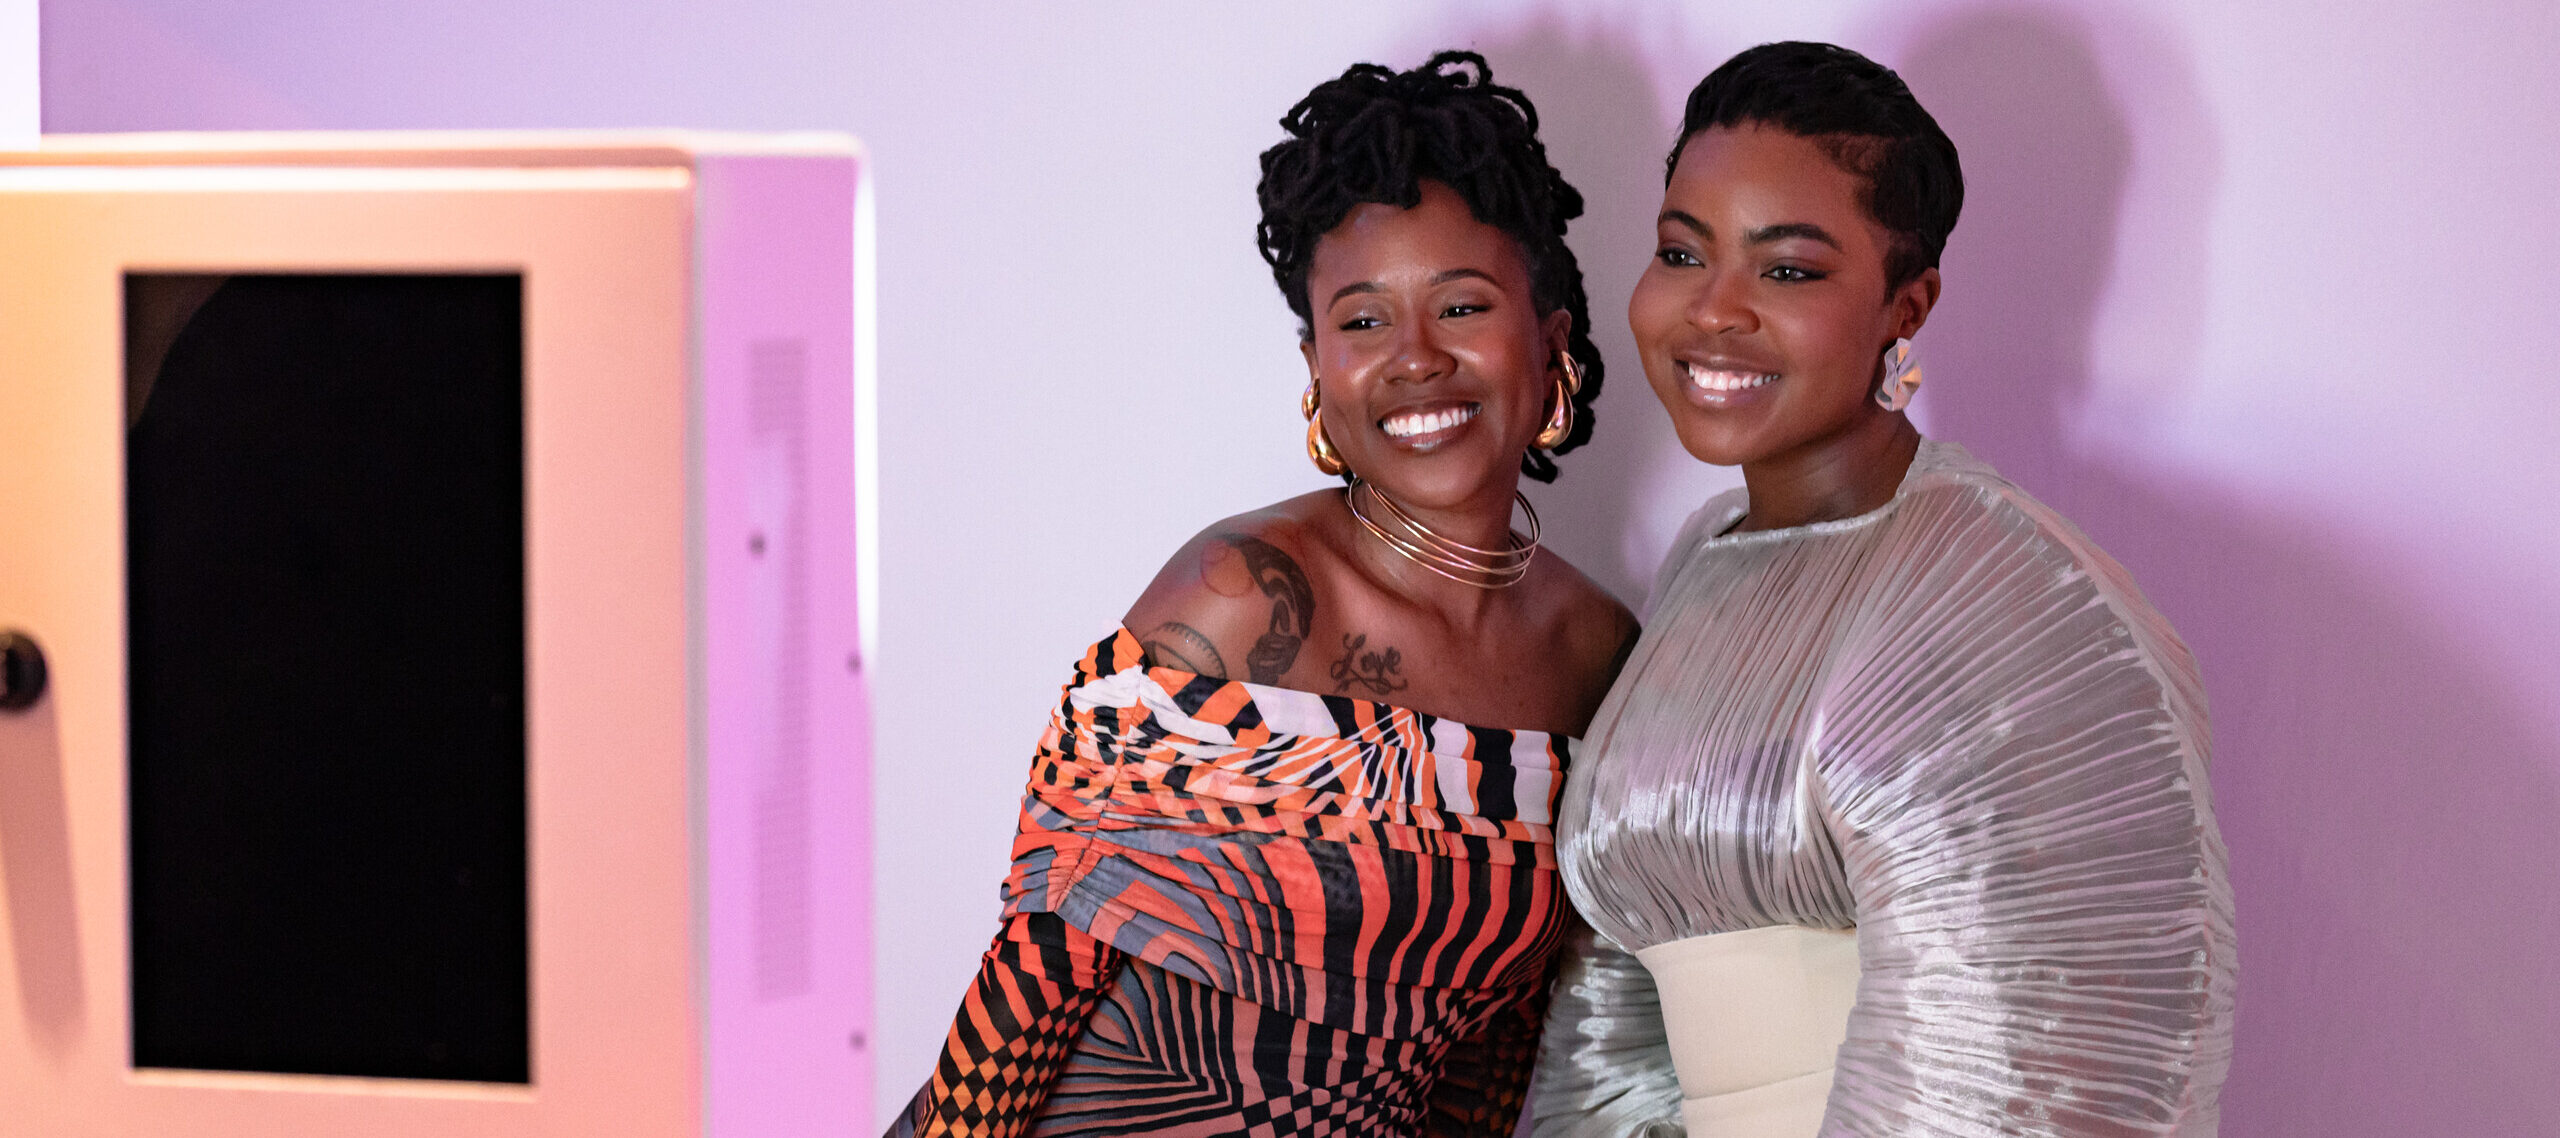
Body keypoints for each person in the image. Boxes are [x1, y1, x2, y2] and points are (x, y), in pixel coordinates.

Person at [891, 51, 1637, 1138]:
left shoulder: (1594, 651)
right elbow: (1037, 977)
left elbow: (1495, 1049)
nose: (1415, 359)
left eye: (1461, 306)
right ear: (1317, 368)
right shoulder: (1240, 593)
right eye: (1364, 321)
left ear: (1549, 339)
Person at [1531, 42, 2234, 1137]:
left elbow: (2040, 1066)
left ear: (1906, 306)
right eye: (1681, 252)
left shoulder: (2009, 596)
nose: (1713, 311)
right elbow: (1614, 1034)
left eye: (1789, 270)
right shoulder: (1700, 561)